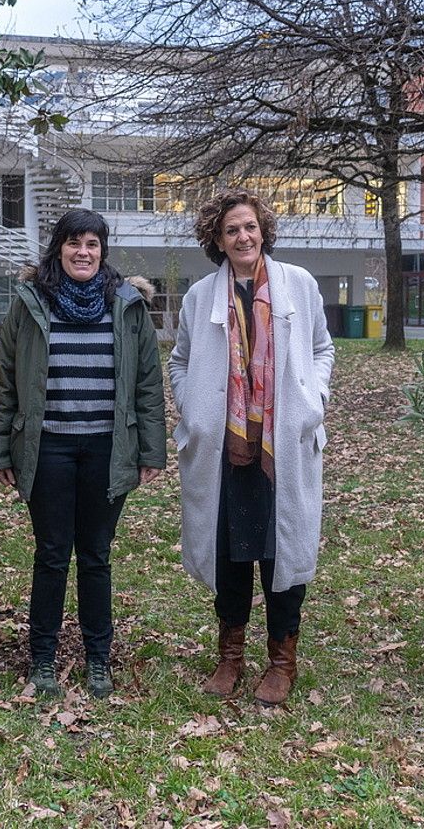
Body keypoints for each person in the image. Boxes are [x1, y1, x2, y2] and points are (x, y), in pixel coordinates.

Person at [0, 209, 166, 699]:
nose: (82, 252)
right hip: (49, 448)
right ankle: (42, 658)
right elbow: (6, 379)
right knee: (51, 554)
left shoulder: (127, 305)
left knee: (96, 556)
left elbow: (148, 383)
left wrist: (151, 449)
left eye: (92, 243)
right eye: (73, 243)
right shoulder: (31, 301)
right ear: (57, 247)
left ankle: (98, 659)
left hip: (108, 447)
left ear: (102, 250)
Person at [168, 188, 334, 706]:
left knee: (281, 551)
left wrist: (314, 400)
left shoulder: (298, 286)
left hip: (282, 447)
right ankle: (231, 657)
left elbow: (322, 348)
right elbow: (179, 360)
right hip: (225, 451)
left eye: (250, 227)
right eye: (231, 230)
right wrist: (192, 407)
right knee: (230, 553)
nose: (243, 237)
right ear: (217, 239)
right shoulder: (200, 298)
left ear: (263, 231)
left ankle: (282, 661)